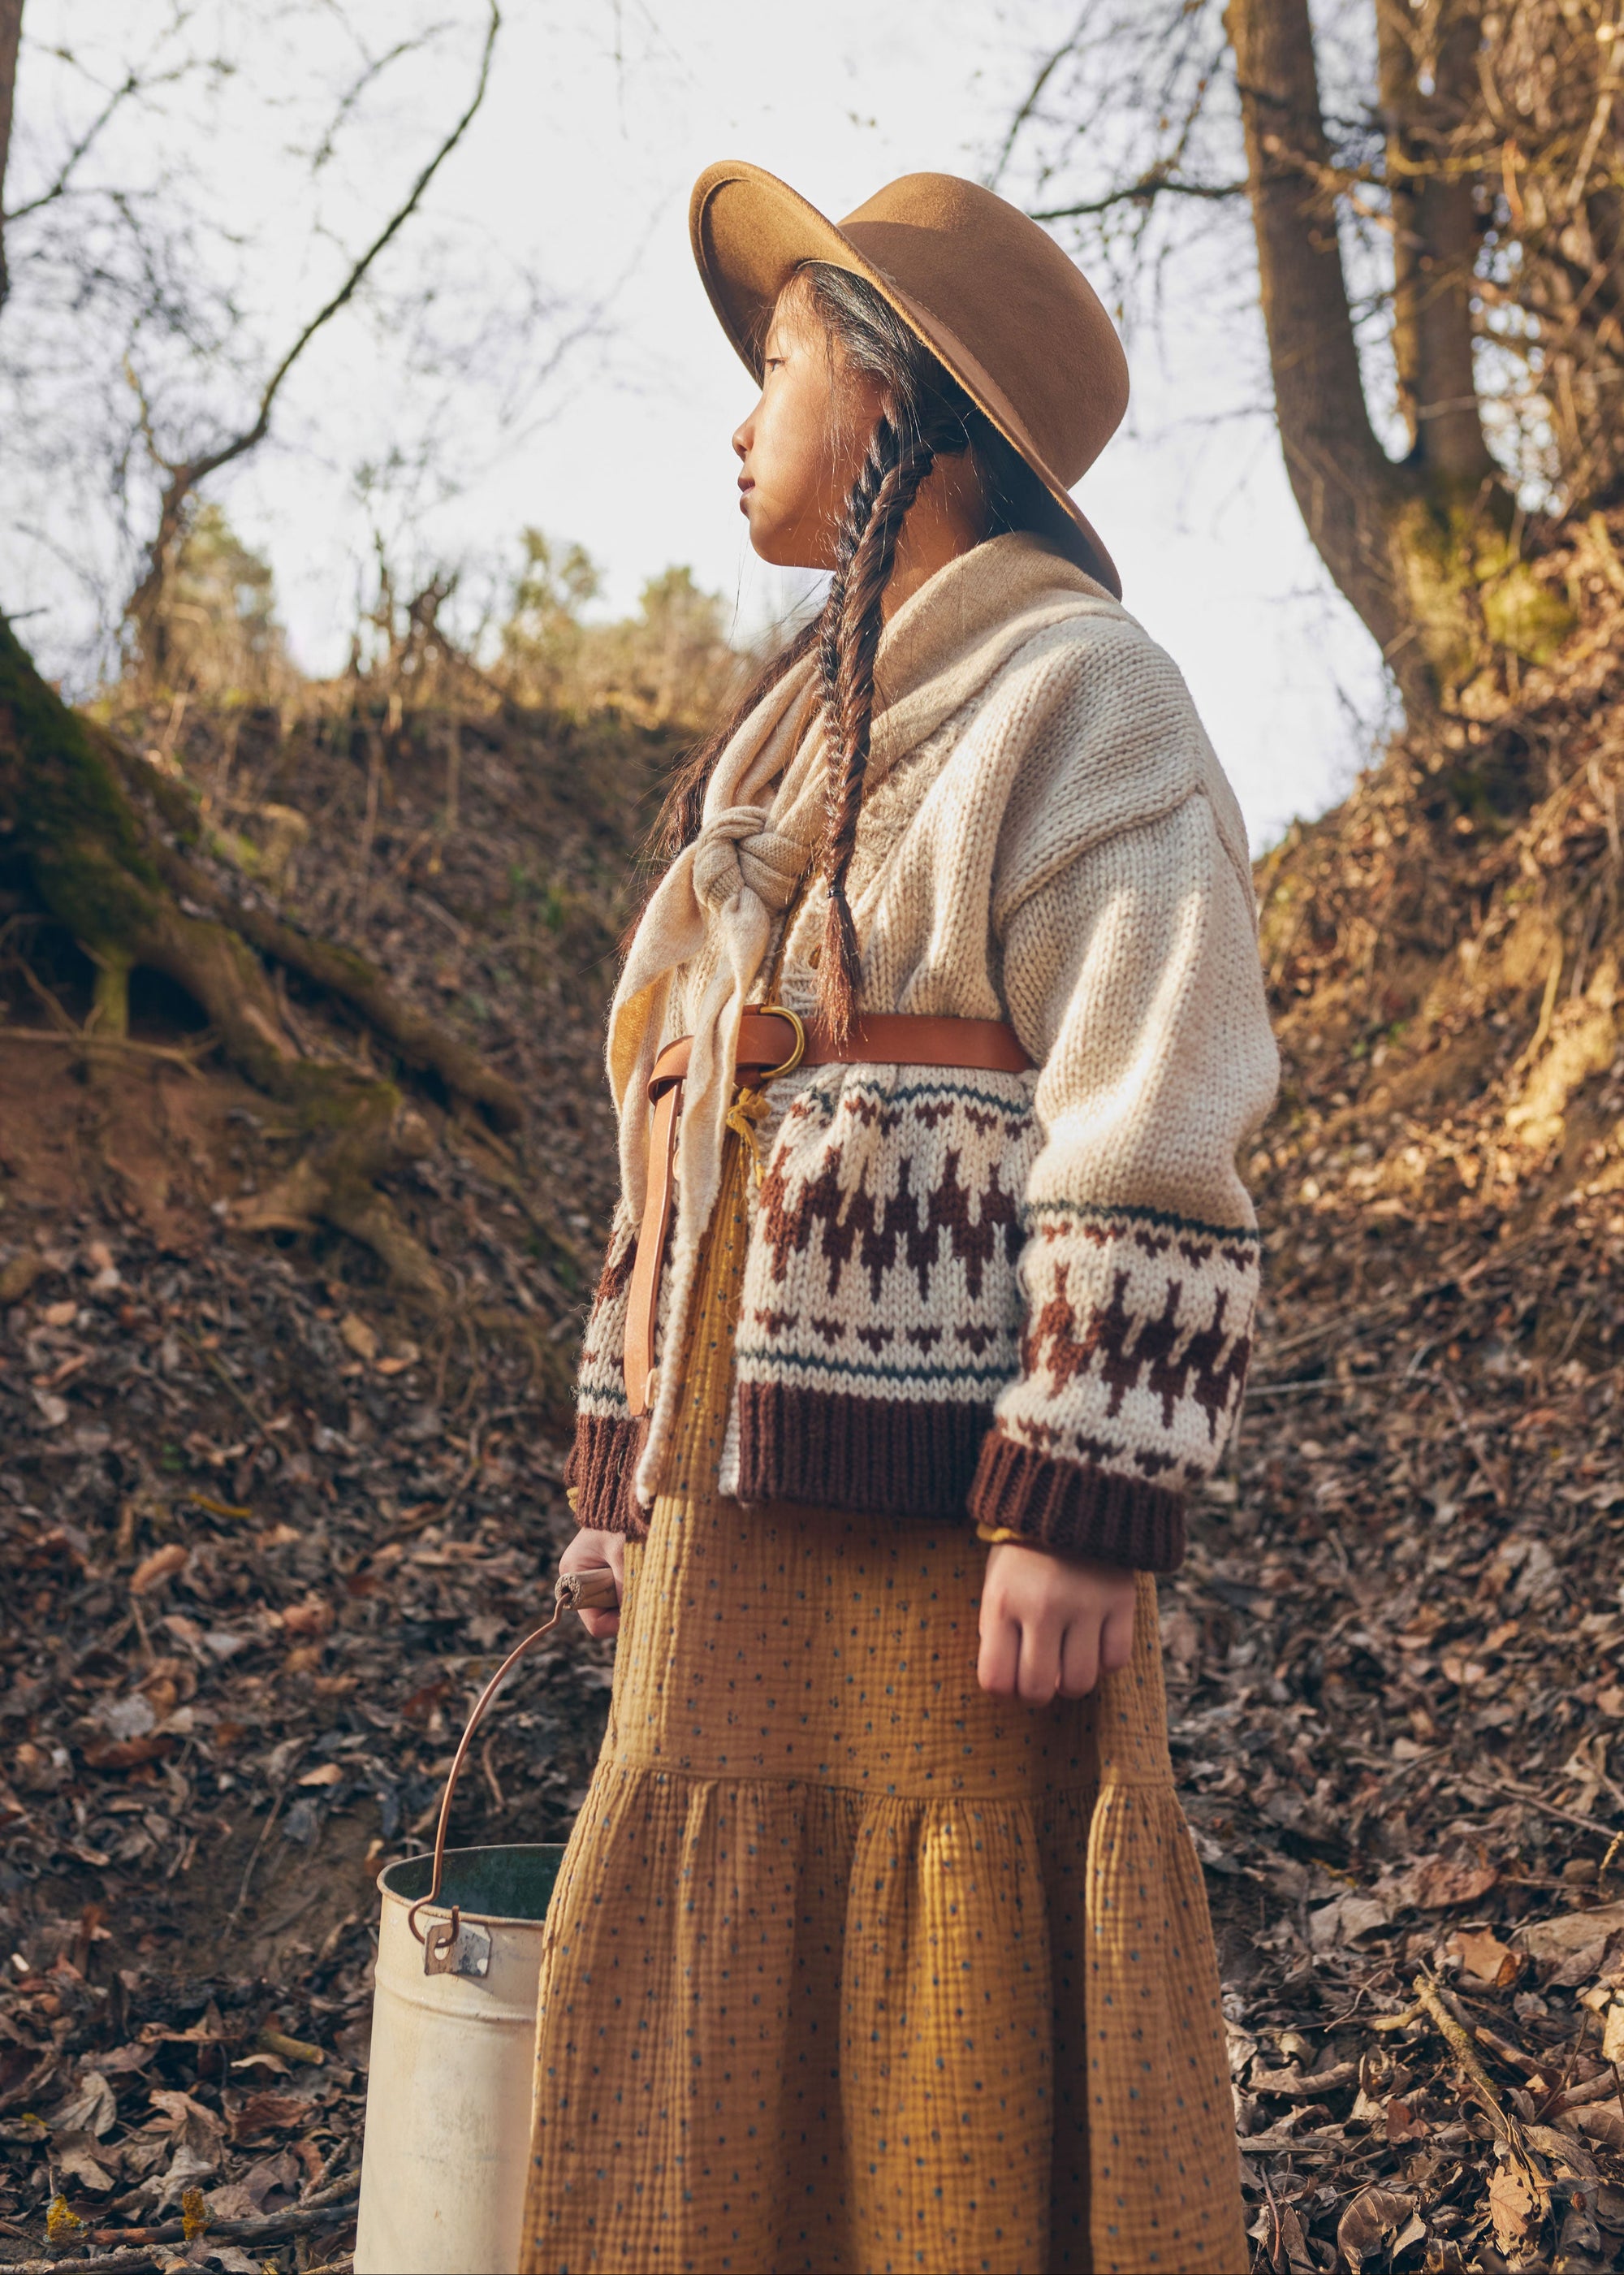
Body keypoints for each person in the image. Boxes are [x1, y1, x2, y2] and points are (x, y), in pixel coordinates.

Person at [522, 162, 1278, 2275]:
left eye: (776, 363)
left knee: (954, 2016)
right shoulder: (781, 766)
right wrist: (619, 1466)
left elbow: (1159, 1082)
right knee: (696, 1999)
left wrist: (1085, 1489)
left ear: (904, 412)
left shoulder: (1078, 701)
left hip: (958, 1553)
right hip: (732, 1540)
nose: (737, 414)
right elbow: (665, 1142)